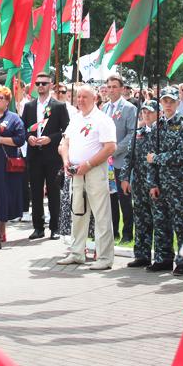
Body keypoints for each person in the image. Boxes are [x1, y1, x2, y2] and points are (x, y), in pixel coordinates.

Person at [57, 84, 117, 270]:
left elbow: (110, 147)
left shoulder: (102, 119)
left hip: (94, 171)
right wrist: (66, 161)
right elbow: (64, 142)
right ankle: (77, 252)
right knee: (78, 214)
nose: (80, 100)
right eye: (79, 97)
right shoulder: (75, 119)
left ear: (95, 99)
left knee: (101, 215)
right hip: (76, 173)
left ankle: (105, 257)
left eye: (85, 97)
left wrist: (88, 164)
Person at [147, 87, 183, 276]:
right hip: (160, 182)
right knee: (161, 221)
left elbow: (182, 154)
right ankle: (164, 258)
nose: (167, 104)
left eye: (171, 101)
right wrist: (152, 183)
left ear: (177, 103)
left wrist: (158, 158)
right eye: (164, 101)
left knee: (181, 222)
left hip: (178, 182)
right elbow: (149, 156)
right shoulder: (157, 126)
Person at [21, 71, 70, 240]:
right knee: (35, 192)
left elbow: (66, 131)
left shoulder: (58, 106)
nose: (40, 86)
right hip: (35, 155)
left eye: (44, 83)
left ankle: (55, 228)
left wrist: (51, 138)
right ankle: (38, 227)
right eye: (38, 84)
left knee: (54, 192)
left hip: (52, 156)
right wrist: (30, 137)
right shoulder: (29, 106)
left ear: (51, 85)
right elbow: (24, 128)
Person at [119, 101, 158, 268]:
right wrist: (125, 178)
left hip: (156, 183)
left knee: (159, 220)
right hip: (139, 182)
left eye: (150, 112)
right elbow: (129, 158)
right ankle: (141, 254)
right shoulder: (138, 133)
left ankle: (163, 256)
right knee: (141, 219)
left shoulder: (160, 132)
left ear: (157, 113)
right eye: (144, 112)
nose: (146, 115)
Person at [102, 74, 138, 241]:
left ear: (122, 89)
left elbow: (132, 133)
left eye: (114, 87)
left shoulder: (129, 108)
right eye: (109, 87)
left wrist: (114, 150)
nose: (111, 90)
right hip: (105, 162)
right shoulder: (103, 108)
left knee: (124, 197)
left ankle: (127, 233)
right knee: (110, 198)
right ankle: (113, 230)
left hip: (121, 160)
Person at [0, 85, 25, 242]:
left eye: (0, 98)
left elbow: (20, 139)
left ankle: (1, 230)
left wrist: (0, 139)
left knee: (2, 196)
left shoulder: (13, 118)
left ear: (7, 101)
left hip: (4, 164)